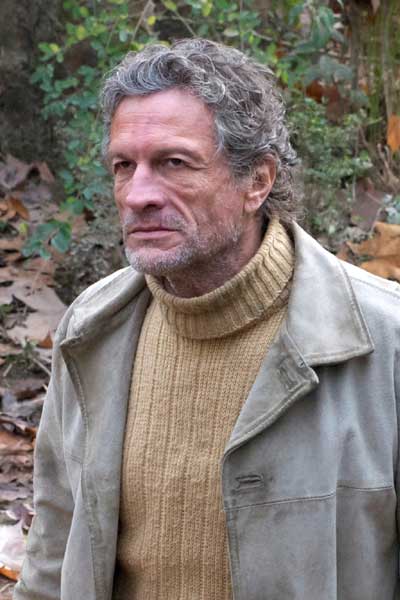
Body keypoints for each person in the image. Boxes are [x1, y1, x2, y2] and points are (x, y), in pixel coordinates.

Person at [14, 38, 400, 600]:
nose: (138, 195)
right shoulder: (92, 331)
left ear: (257, 181)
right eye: (124, 166)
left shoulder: (383, 343)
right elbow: (53, 549)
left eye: (174, 163)